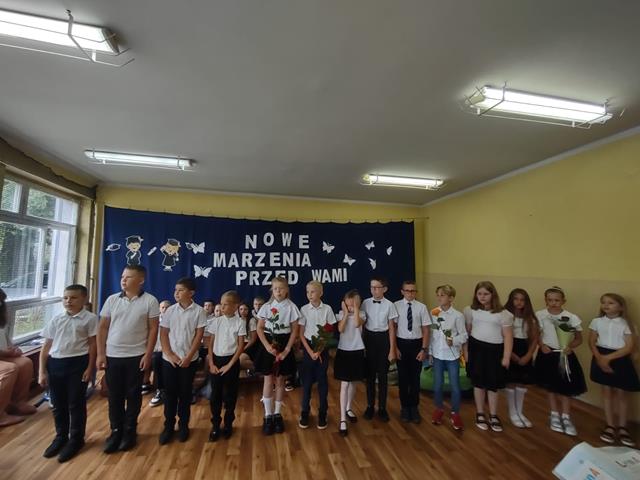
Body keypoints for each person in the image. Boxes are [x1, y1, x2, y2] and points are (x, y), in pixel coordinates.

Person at [97, 265, 160, 453]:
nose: (123, 280)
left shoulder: (150, 301)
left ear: (141, 280)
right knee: (114, 395)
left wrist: (148, 354)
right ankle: (116, 431)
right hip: (113, 355)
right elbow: (103, 328)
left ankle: (130, 430)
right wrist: (101, 353)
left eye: (128, 277)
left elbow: (153, 329)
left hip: (136, 356)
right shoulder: (112, 300)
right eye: (122, 276)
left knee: (133, 395)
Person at [38, 284, 97, 462]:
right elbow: (46, 347)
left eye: (73, 298)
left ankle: (76, 439)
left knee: (75, 403)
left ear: (84, 299)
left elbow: (92, 344)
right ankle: (61, 436)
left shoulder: (90, 319)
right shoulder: (57, 319)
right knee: (58, 404)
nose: (68, 301)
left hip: (78, 363)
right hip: (56, 364)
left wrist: (90, 368)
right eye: (65, 298)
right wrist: (42, 371)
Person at [158, 278, 206, 444]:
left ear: (191, 293)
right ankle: (168, 426)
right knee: (170, 394)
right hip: (170, 360)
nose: (176, 293)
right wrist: (170, 354)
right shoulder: (170, 311)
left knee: (185, 394)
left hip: (188, 360)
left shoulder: (199, 311)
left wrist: (188, 357)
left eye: (180, 290)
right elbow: (163, 334)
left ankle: (183, 425)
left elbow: (198, 336)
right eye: (175, 290)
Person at [588, 293, 639, 447]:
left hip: (620, 358)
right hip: (600, 355)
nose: (606, 305)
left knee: (622, 394)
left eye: (611, 303)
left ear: (621, 307)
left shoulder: (626, 324)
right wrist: (599, 358)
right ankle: (610, 425)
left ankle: (623, 427)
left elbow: (629, 346)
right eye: (603, 302)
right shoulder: (597, 321)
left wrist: (608, 359)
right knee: (607, 392)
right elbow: (592, 342)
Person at [535, 286, 586, 437]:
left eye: (557, 300)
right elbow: (536, 334)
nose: (553, 303)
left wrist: (570, 347)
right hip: (547, 354)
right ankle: (554, 414)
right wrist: (541, 345)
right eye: (550, 300)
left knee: (565, 388)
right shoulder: (540, 315)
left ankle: (566, 416)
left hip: (564, 355)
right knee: (550, 386)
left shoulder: (571, 317)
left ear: (563, 301)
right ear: (546, 300)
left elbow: (579, 339)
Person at [464, 281, 513, 433]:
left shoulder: (503, 314)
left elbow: (508, 336)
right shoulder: (470, 310)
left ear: (493, 295)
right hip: (476, 349)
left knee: (492, 385)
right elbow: (467, 333)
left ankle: (493, 414)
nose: (482, 297)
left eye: (486, 294)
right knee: (478, 383)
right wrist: (466, 353)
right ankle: (480, 412)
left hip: (494, 351)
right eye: (479, 294)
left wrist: (506, 357)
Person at [255, 277, 300, 435]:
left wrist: (287, 349)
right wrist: (267, 347)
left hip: (284, 343)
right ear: (272, 291)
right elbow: (260, 328)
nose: (278, 291)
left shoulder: (291, 307)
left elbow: (294, 330)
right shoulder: (267, 307)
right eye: (275, 289)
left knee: (281, 381)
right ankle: (268, 415)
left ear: (287, 290)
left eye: (281, 288)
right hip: (269, 345)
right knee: (268, 380)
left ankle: (277, 414)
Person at [298, 281, 337, 429]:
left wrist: (319, 350)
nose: (310, 295)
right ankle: (305, 412)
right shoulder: (303, 309)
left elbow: (329, 331)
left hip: (322, 348)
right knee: (307, 382)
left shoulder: (327, 309)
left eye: (313, 292)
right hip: (308, 348)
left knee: (322, 381)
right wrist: (310, 352)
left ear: (321, 293)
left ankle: (322, 412)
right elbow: (301, 334)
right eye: (308, 292)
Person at [207, 291, 246, 440]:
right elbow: (210, 344)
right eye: (221, 304)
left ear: (235, 306)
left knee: (230, 395)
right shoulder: (216, 321)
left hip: (231, 362)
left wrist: (230, 365)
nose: (222, 307)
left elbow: (240, 346)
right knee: (215, 395)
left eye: (226, 304)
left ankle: (228, 423)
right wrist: (211, 363)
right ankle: (215, 425)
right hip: (216, 361)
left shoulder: (239, 322)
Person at [430, 284, 467, 431]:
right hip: (437, 355)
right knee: (437, 384)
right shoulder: (434, 313)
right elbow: (432, 335)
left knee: (455, 386)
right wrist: (430, 353)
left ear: (451, 298)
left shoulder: (458, 316)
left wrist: (454, 340)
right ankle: (439, 409)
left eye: (442, 295)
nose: (439, 298)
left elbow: (464, 335)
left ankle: (455, 413)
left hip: (452, 356)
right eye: (438, 295)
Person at [361, 276, 398, 422]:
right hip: (369, 339)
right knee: (369, 376)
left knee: (383, 376)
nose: (374, 290)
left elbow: (391, 328)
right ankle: (370, 406)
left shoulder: (390, 305)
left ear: (384, 289)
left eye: (377, 287)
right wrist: (362, 345)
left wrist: (392, 349)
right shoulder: (365, 303)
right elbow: (362, 324)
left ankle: (382, 408)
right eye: (372, 287)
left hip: (384, 340)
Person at [392, 281, 429, 423]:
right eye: (407, 290)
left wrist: (423, 349)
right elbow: (393, 328)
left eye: (413, 291)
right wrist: (395, 348)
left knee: (415, 379)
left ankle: (414, 407)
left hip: (416, 345)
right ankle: (404, 407)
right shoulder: (396, 306)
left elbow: (426, 330)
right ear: (402, 291)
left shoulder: (422, 307)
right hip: (401, 344)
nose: (410, 293)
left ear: (416, 292)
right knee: (403, 378)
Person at [0, 288, 37, 427]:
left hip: (3, 355)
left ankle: (16, 403)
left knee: (25, 363)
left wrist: (14, 349)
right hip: (2, 357)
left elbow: (6, 340)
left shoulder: (1, 318)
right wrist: (5, 353)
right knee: (10, 368)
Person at [504, 288, 538, 428]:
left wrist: (529, 355)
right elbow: (504, 337)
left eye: (522, 300)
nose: (519, 302)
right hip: (511, 349)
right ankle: (513, 413)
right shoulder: (506, 316)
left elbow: (535, 339)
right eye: (516, 299)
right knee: (511, 381)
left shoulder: (530, 319)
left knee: (521, 382)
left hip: (525, 351)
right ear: (511, 300)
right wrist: (511, 354)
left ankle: (520, 412)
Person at [334, 290, 366, 436]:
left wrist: (356, 309)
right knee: (344, 384)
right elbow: (340, 329)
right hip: (344, 351)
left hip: (357, 351)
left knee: (353, 382)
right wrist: (346, 313)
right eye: (348, 304)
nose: (351, 307)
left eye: (353, 304)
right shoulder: (341, 314)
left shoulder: (362, 314)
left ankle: (348, 408)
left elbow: (357, 324)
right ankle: (342, 418)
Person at [149, 300, 171, 407]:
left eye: (167, 307)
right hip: (157, 351)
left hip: (172, 351)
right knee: (156, 359)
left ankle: (171, 391)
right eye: (162, 307)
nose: (164, 309)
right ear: (159, 309)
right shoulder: (154, 322)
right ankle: (160, 390)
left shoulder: (175, 320)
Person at [238, 302, 258, 374]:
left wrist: (243, 348)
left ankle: (259, 369)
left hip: (249, 344)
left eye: (245, 309)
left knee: (241, 360)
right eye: (241, 309)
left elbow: (253, 339)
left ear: (248, 310)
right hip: (239, 344)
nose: (243, 311)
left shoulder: (251, 320)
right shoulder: (237, 320)